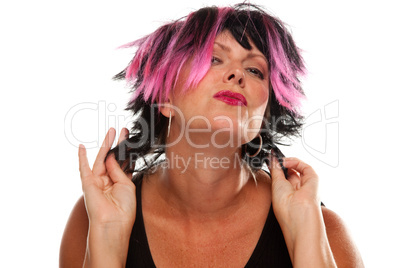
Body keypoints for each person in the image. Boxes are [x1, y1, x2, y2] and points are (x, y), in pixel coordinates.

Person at [60, 3, 364, 267]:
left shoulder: (323, 229)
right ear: (165, 96)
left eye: (256, 70)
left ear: (265, 117)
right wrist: (107, 236)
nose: (237, 75)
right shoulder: (93, 216)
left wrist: (306, 240)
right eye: (214, 59)